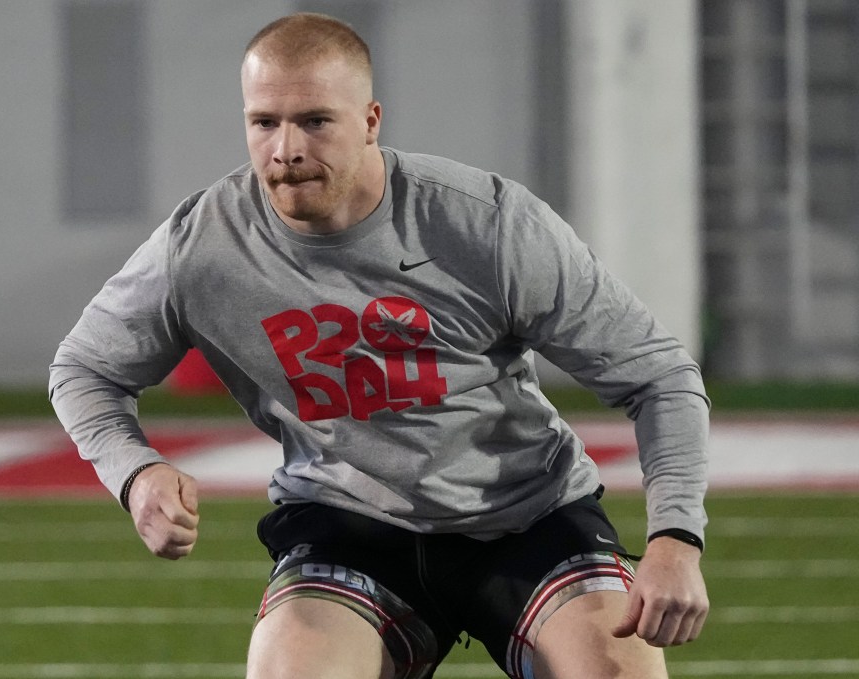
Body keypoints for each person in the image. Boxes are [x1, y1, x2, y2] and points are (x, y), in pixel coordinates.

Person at [49, 12, 709, 679]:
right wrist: (135, 474)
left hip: (526, 518)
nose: (285, 149)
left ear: (370, 120)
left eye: (314, 120)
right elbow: (83, 367)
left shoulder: (485, 224)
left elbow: (659, 374)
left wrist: (675, 539)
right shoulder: (205, 246)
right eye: (263, 122)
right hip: (347, 524)